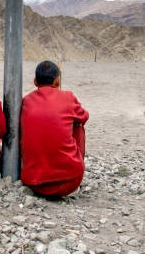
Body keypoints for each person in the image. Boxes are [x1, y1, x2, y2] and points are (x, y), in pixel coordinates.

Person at [20, 61, 89, 198]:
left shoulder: (26, 100)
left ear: (35, 81)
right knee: (78, 124)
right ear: (57, 81)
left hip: (34, 181)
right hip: (70, 181)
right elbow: (84, 116)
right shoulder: (68, 97)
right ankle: (74, 161)